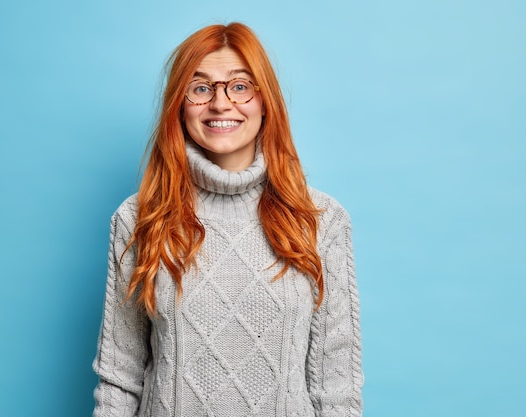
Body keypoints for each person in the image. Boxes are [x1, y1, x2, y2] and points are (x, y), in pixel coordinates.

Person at [92, 22, 363, 417]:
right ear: (179, 104)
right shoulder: (138, 218)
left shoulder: (320, 220)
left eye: (240, 86)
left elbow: (336, 389)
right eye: (201, 88)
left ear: (265, 100)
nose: (220, 104)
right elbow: (120, 381)